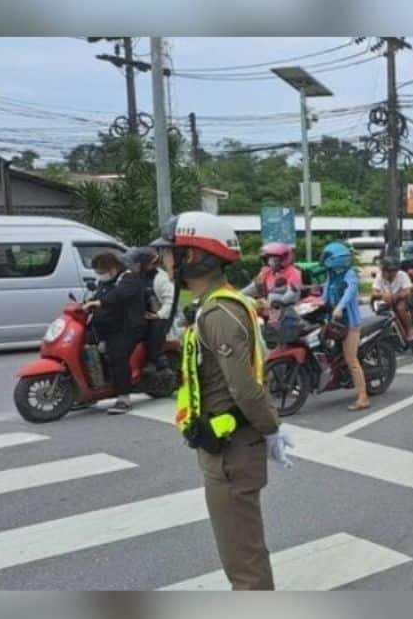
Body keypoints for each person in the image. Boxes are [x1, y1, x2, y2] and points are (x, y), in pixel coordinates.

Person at [157, 211, 294, 590]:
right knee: (240, 552)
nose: (165, 260)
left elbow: (245, 388)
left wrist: (271, 430)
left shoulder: (218, 313)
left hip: (231, 452)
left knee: (243, 562)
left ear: (194, 256)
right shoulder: (214, 306)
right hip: (224, 447)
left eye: (172, 252)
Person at [82, 250, 148, 414]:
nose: (100, 275)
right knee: (85, 346)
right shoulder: (105, 282)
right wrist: (88, 303)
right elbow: (98, 296)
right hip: (108, 327)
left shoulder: (129, 278)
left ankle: (123, 398)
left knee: (117, 354)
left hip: (128, 327)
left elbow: (118, 295)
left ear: (112, 267)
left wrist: (99, 303)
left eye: (101, 271)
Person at [321, 242, 371, 411]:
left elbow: (350, 292)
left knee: (351, 360)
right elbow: (325, 293)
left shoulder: (350, 274)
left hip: (350, 323)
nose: (324, 260)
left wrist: (340, 307)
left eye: (327, 257)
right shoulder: (331, 274)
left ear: (336, 259)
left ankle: (363, 397)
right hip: (335, 322)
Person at [127, 246, 172, 371]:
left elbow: (170, 301)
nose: (132, 267)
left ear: (145, 264)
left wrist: (158, 315)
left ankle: (154, 360)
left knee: (156, 327)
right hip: (140, 314)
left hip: (157, 317)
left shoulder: (161, 279)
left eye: (136, 264)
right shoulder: (135, 276)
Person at [372, 256, 413, 341]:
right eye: (388, 271)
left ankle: (410, 329)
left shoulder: (402, 275)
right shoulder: (379, 276)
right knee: (379, 312)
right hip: (386, 300)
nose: (391, 273)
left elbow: (407, 291)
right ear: (383, 270)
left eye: (394, 271)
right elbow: (374, 292)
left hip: (400, 299)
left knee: (400, 308)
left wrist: (396, 296)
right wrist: (383, 295)